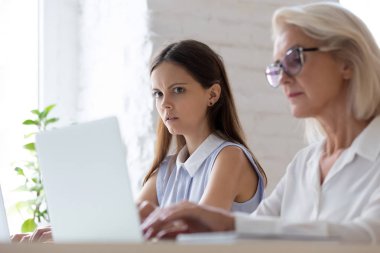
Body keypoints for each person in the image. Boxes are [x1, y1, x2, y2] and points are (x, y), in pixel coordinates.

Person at [141, 2, 380, 244]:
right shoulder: (304, 164)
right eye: (278, 67)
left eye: (294, 58)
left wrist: (224, 222)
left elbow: (368, 235)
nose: (283, 78)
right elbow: (256, 230)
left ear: (347, 62)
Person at [11, 39, 267, 243]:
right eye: (158, 93)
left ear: (212, 94)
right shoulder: (166, 170)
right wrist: (62, 233)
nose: (165, 104)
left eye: (178, 90)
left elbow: (199, 235)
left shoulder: (229, 157)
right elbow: (121, 225)